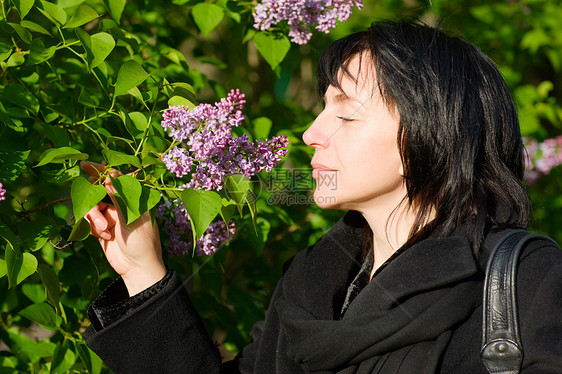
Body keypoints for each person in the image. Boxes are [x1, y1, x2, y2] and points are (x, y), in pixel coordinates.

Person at [81, 20, 562, 373]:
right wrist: (142, 269)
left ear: (430, 135)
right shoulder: (312, 283)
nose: (311, 133)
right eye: (321, 109)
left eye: (347, 115)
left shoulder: (526, 283)